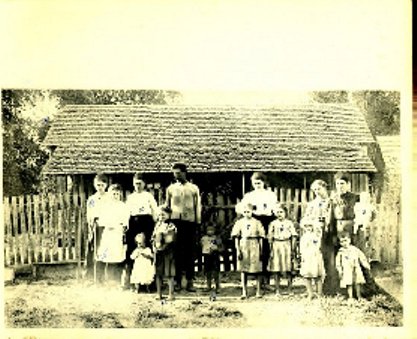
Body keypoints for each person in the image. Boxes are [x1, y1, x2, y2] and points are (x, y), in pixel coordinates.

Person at [165, 163, 201, 292]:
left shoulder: (193, 188)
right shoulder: (170, 189)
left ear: (185, 173)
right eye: (174, 173)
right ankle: (178, 281)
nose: (176, 176)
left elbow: (198, 206)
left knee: (190, 252)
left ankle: (190, 281)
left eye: (179, 173)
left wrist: (197, 222)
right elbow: (167, 206)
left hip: (190, 223)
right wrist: (167, 222)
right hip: (175, 223)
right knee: (177, 252)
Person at [241, 172, 278, 290]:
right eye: (255, 183)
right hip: (254, 221)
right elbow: (241, 207)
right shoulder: (249, 195)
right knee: (255, 250)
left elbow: (275, 208)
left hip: (267, 221)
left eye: (259, 183)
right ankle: (256, 280)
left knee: (266, 250)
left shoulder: (270, 195)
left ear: (264, 183)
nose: (257, 185)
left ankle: (266, 281)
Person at [304, 179, 338, 295]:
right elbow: (305, 220)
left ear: (325, 188)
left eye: (319, 189)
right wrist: (314, 224)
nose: (317, 192)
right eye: (314, 190)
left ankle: (331, 287)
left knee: (330, 260)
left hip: (331, 233)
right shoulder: (312, 204)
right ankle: (317, 290)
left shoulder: (332, 201)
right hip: (317, 235)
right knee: (317, 260)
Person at [125, 172, 158, 288]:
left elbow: (155, 211)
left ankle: (150, 281)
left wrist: (155, 225)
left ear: (144, 184)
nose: (137, 186)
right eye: (135, 184)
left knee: (147, 249)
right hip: (133, 223)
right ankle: (132, 281)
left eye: (140, 183)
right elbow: (126, 213)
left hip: (147, 223)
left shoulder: (148, 196)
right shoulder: (130, 197)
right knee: (133, 250)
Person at [96, 183, 129, 286]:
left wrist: (122, 226)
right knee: (105, 255)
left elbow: (125, 220)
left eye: (117, 194)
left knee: (117, 255)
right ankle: (102, 280)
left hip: (117, 233)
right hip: (108, 233)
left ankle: (116, 280)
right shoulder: (106, 206)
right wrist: (107, 223)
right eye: (113, 194)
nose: (115, 196)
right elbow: (101, 220)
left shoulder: (123, 206)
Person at [231, 202, 265, 299]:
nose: (247, 213)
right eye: (245, 211)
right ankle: (244, 291)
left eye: (249, 211)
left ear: (252, 211)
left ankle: (258, 291)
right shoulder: (239, 222)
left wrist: (261, 250)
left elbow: (261, 237)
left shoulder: (257, 222)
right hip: (244, 244)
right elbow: (236, 237)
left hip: (254, 244)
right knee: (243, 269)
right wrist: (238, 250)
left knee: (257, 269)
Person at [267, 203, 297, 296]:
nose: (279, 214)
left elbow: (294, 236)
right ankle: (277, 290)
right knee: (276, 268)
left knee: (288, 268)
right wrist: (271, 249)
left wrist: (293, 248)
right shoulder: (273, 223)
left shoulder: (289, 223)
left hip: (286, 244)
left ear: (285, 213)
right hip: (276, 245)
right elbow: (270, 237)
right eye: (278, 212)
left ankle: (290, 289)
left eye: (281, 212)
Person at [85, 173, 109, 280]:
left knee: (105, 251)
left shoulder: (109, 197)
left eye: (102, 185)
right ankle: (92, 276)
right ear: (95, 185)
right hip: (96, 227)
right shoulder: (92, 199)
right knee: (94, 251)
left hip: (107, 227)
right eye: (98, 185)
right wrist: (91, 224)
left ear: (106, 185)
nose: (100, 187)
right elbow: (89, 214)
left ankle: (105, 276)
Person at [335, 231, 371, 301]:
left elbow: (361, 257)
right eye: (342, 242)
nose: (344, 243)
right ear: (340, 243)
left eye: (345, 240)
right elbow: (338, 262)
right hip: (347, 269)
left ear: (349, 240)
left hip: (356, 268)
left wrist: (365, 264)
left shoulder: (354, 249)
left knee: (357, 282)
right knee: (349, 283)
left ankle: (359, 296)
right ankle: (350, 297)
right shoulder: (341, 252)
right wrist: (340, 270)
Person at [152, 206, 177, 301]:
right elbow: (153, 237)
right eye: (159, 215)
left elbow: (170, 239)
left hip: (168, 252)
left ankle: (171, 294)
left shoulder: (171, 226)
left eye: (163, 214)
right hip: (158, 252)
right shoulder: (157, 225)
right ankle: (159, 293)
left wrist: (162, 247)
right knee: (158, 273)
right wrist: (154, 246)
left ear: (169, 215)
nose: (161, 216)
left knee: (169, 273)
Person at [299, 218, 326, 300]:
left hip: (315, 255)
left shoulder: (316, 235)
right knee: (306, 275)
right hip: (307, 256)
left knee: (318, 274)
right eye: (306, 226)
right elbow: (302, 248)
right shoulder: (303, 237)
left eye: (310, 226)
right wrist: (302, 256)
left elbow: (318, 243)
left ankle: (319, 293)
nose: (308, 228)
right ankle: (310, 293)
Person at [332, 172, 359, 240]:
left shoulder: (354, 197)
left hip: (351, 226)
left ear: (348, 184)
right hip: (338, 225)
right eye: (337, 184)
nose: (340, 186)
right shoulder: (333, 198)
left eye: (342, 183)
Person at [201, 223, 223, 293]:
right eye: (208, 230)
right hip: (207, 256)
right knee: (208, 271)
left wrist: (216, 248)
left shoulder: (217, 238)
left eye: (212, 230)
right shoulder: (203, 238)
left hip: (215, 255)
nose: (210, 231)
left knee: (216, 271)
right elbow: (201, 245)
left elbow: (221, 247)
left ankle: (217, 286)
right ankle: (208, 286)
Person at [353, 191, 376, 257]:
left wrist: (369, 221)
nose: (364, 199)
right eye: (362, 198)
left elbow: (373, 216)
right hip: (358, 225)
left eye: (366, 198)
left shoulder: (370, 207)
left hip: (367, 226)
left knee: (367, 243)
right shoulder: (357, 206)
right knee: (358, 243)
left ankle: (367, 258)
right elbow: (356, 215)